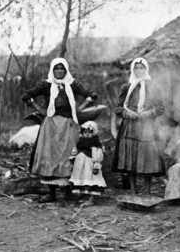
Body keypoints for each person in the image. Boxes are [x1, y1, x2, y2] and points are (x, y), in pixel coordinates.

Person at [21, 58, 98, 203]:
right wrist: (40, 109)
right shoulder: (46, 84)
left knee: (68, 156)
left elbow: (91, 94)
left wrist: (79, 109)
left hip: (68, 124)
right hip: (50, 125)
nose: (59, 71)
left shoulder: (72, 83)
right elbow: (27, 96)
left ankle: (68, 193)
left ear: (66, 70)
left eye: (62, 68)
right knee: (50, 155)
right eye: (56, 68)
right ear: (52, 70)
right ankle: (51, 193)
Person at [112, 57, 166, 195]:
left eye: (141, 68)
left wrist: (149, 113)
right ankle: (133, 191)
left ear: (146, 69)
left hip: (147, 127)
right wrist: (128, 114)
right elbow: (118, 109)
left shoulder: (153, 86)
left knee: (147, 157)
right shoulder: (127, 87)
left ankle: (147, 192)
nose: (139, 70)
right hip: (130, 127)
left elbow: (160, 108)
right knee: (131, 157)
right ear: (132, 69)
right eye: (136, 68)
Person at [69, 121, 106, 206]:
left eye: (90, 133)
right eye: (85, 132)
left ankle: (91, 199)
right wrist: (72, 159)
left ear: (94, 133)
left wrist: (96, 166)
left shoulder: (95, 143)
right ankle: (86, 197)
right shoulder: (80, 142)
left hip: (90, 164)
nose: (87, 134)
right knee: (83, 179)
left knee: (92, 180)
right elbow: (75, 151)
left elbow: (98, 155)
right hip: (80, 165)